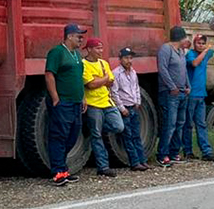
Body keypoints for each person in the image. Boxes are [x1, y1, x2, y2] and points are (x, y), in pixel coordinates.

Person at [45, 23, 87, 187]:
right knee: (59, 135)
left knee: (73, 135)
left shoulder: (76, 54)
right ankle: (57, 171)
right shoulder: (57, 52)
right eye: (79, 36)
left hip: (76, 101)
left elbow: (78, 77)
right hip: (63, 101)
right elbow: (49, 74)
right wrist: (55, 97)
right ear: (69, 36)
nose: (81, 39)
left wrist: (82, 96)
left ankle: (64, 168)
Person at [183, 32, 214, 161]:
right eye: (199, 43)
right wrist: (205, 51)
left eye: (203, 43)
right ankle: (188, 151)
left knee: (201, 124)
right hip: (191, 95)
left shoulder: (204, 54)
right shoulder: (191, 55)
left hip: (201, 95)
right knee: (188, 124)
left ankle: (206, 151)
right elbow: (194, 63)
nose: (201, 45)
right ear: (195, 44)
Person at [82, 38, 125, 177]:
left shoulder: (103, 63)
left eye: (101, 48)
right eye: (97, 48)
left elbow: (111, 81)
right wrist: (104, 79)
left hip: (107, 102)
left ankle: (91, 127)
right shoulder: (84, 64)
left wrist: (99, 80)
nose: (101, 51)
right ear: (89, 49)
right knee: (96, 136)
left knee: (118, 126)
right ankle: (103, 166)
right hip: (93, 104)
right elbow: (90, 85)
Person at [157, 25, 192, 167]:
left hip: (183, 92)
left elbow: (183, 70)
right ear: (181, 38)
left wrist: (188, 85)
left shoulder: (181, 51)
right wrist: (172, 86)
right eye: (185, 37)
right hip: (170, 93)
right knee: (169, 124)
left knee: (179, 123)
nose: (187, 40)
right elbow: (163, 69)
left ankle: (174, 152)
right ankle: (162, 154)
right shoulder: (165, 49)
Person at [111, 47, 148, 171]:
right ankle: (134, 162)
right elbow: (114, 92)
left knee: (136, 135)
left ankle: (143, 160)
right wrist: (121, 108)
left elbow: (136, 88)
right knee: (128, 136)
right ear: (120, 59)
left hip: (133, 106)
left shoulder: (133, 72)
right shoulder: (116, 73)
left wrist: (138, 101)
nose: (129, 60)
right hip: (125, 108)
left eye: (131, 58)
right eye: (126, 58)